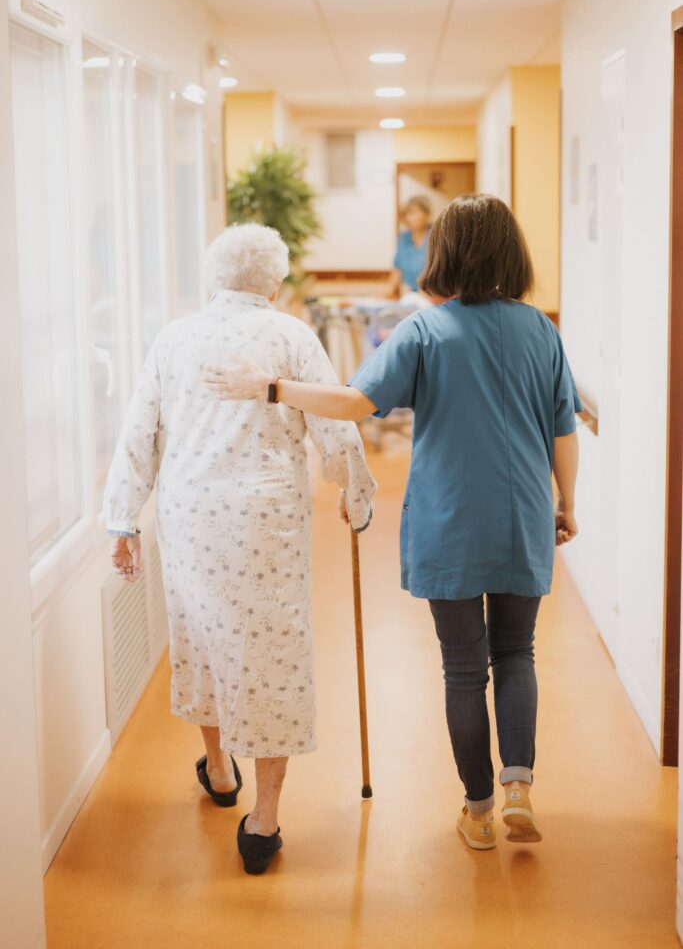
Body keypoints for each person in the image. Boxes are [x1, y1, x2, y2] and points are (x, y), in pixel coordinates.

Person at [203, 194, 581, 853]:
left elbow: (355, 402)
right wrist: (566, 503)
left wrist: (271, 387)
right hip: (523, 513)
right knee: (516, 653)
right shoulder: (540, 330)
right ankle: (519, 784)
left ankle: (479, 811)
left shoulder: (425, 330)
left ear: (444, 251)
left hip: (449, 521)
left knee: (464, 669)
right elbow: (562, 428)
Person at [104, 223, 376, 875]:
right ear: (275, 282)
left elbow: (140, 431)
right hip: (265, 521)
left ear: (213, 278)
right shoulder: (290, 336)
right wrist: (355, 492)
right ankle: (264, 820)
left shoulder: (174, 339)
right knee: (270, 653)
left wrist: (122, 519)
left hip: (191, 517)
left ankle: (220, 770)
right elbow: (334, 419)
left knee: (203, 638)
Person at [389, 194, 431, 296]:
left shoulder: (436, 236)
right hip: (408, 295)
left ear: (426, 214)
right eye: (406, 214)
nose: (408, 217)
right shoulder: (403, 237)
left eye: (413, 212)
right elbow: (397, 269)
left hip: (431, 296)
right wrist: (389, 293)